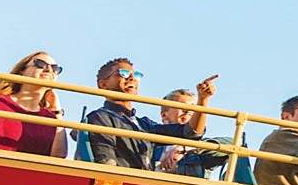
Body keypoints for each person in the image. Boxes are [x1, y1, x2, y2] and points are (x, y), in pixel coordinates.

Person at [83, 59, 220, 170]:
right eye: (123, 73)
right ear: (103, 84)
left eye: (136, 75)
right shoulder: (100, 117)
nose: (132, 78)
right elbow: (105, 164)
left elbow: (190, 133)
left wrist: (203, 100)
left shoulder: (144, 124)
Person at [155, 89, 230, 177]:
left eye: (193, 108)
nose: (188, 111)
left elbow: (236, 144)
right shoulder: (148, 142)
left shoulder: (200, 150)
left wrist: (185, 147)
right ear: (164, 115)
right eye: (182, 107)